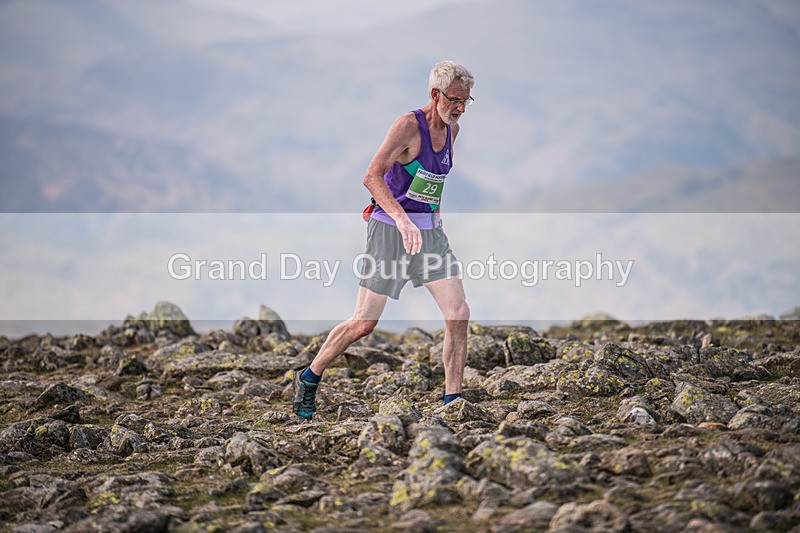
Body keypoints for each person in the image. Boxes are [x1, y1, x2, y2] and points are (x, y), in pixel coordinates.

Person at [292, 60, 475, 420]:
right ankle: (309, 378)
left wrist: (433, 215)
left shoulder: (453, 132)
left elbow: (433, 180)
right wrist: (402, 220)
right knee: (364, 323)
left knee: (458, 314)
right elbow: (372, 176)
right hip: (390, 229)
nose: (459, 108)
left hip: (429, 233)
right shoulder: (408, 126)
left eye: (466, 101)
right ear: (434, 94)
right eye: (454, 99)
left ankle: (453, 402)